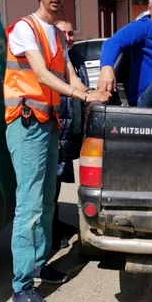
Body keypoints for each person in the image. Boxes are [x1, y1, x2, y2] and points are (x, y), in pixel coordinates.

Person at [4, 0, 111, 302]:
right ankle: (21, 287)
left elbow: (65, 69)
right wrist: (84, 95)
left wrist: (90, 91)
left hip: (47, 123)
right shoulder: (26, 29)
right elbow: (41, 74)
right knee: (30, 205)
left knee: (48, 202)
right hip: (26, 124)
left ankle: (39, 265)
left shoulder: (52, 31)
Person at [53, 19, 88, 250]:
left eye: (71, 33)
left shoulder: (76, 59)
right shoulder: (51, 62)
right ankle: (51, 233)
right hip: (57, 131)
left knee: (58, 178)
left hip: (72, 132)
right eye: (62, 33)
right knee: (52, 183)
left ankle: (56, 223)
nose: (68, 37)